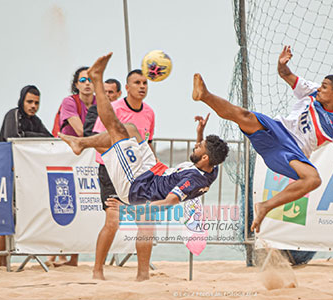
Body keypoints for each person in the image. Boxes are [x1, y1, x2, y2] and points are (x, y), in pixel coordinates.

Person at [59, 52, 228, 281]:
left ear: (205, 158)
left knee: (118, 131)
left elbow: (169, 202)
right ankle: (141, 276)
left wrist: (128, 208)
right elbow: (202, 157)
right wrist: (200, 133)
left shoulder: (193, 180)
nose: (196, 146)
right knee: (130, 129)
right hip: (153, 170)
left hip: (138, 186)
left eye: (200, 147)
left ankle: (97, 79)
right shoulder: (211, 167)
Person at [191, 45, 333, 233]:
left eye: (325, 87)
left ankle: (265, 206)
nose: (319, 88)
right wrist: (282, 64)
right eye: (321, 85)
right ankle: (205, 96)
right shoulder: (311, 91)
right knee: (245, 116)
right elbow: (286, 74)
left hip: (291, 152)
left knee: (313, 180)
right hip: (278, 129)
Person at [88, 70, 157, 280]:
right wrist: (115, 160)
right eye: (137, 82)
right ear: (126, 88)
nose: (142, 86)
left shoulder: (149, 112)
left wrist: (154, 172)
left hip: (138, 175)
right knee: (112, 222)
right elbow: (97, 140)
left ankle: (143, 274)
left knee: (146, 224)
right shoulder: (115, 109)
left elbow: (148, 145)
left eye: (145, 82)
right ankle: (97, 270)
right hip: (112, 171)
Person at [0, 85, 52, 268]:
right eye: (29, 102)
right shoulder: (13, 114)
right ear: (21, 100)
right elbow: (14, 136)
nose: (33, 106)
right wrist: (36, 137)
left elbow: (49, 137)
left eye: (36, 103)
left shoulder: (36, 121)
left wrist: (34, 136)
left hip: (26, 176)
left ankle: (14, 257)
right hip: (6, 173)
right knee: (5, 219)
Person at [55, 67, 96, 137]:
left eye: (91, 80)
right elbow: (81, 132)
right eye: (82, 80)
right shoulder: (69, 102)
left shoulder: (101, 103)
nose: (87, 83)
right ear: (76, 85)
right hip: (68, 146)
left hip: (95, 144)